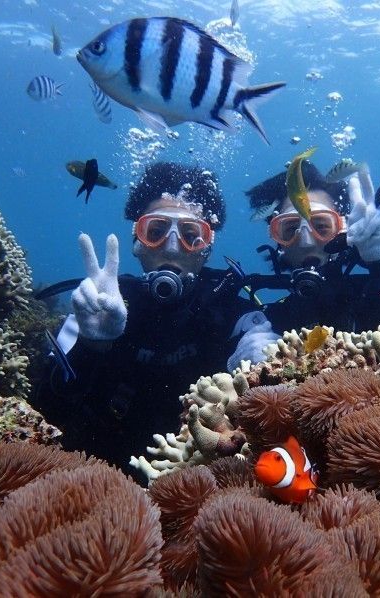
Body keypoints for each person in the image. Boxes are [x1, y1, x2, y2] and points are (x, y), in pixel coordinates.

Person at [33, 162, 277, 474]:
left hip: (207, 484)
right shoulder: (99, 307)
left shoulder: (234, 312)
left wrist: (259, 361)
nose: (173, 247)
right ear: (137, 242)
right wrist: (90, 344)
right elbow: (43, 411)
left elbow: (264, 352)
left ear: (207, 248)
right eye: (156, 232)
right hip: (98, 480)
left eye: (191, 235)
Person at [241, 156, 380, 362]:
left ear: (344, 231)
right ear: (277, 240)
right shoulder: (269, 322)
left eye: (321, 226)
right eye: (291, 229)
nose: (306, 242)